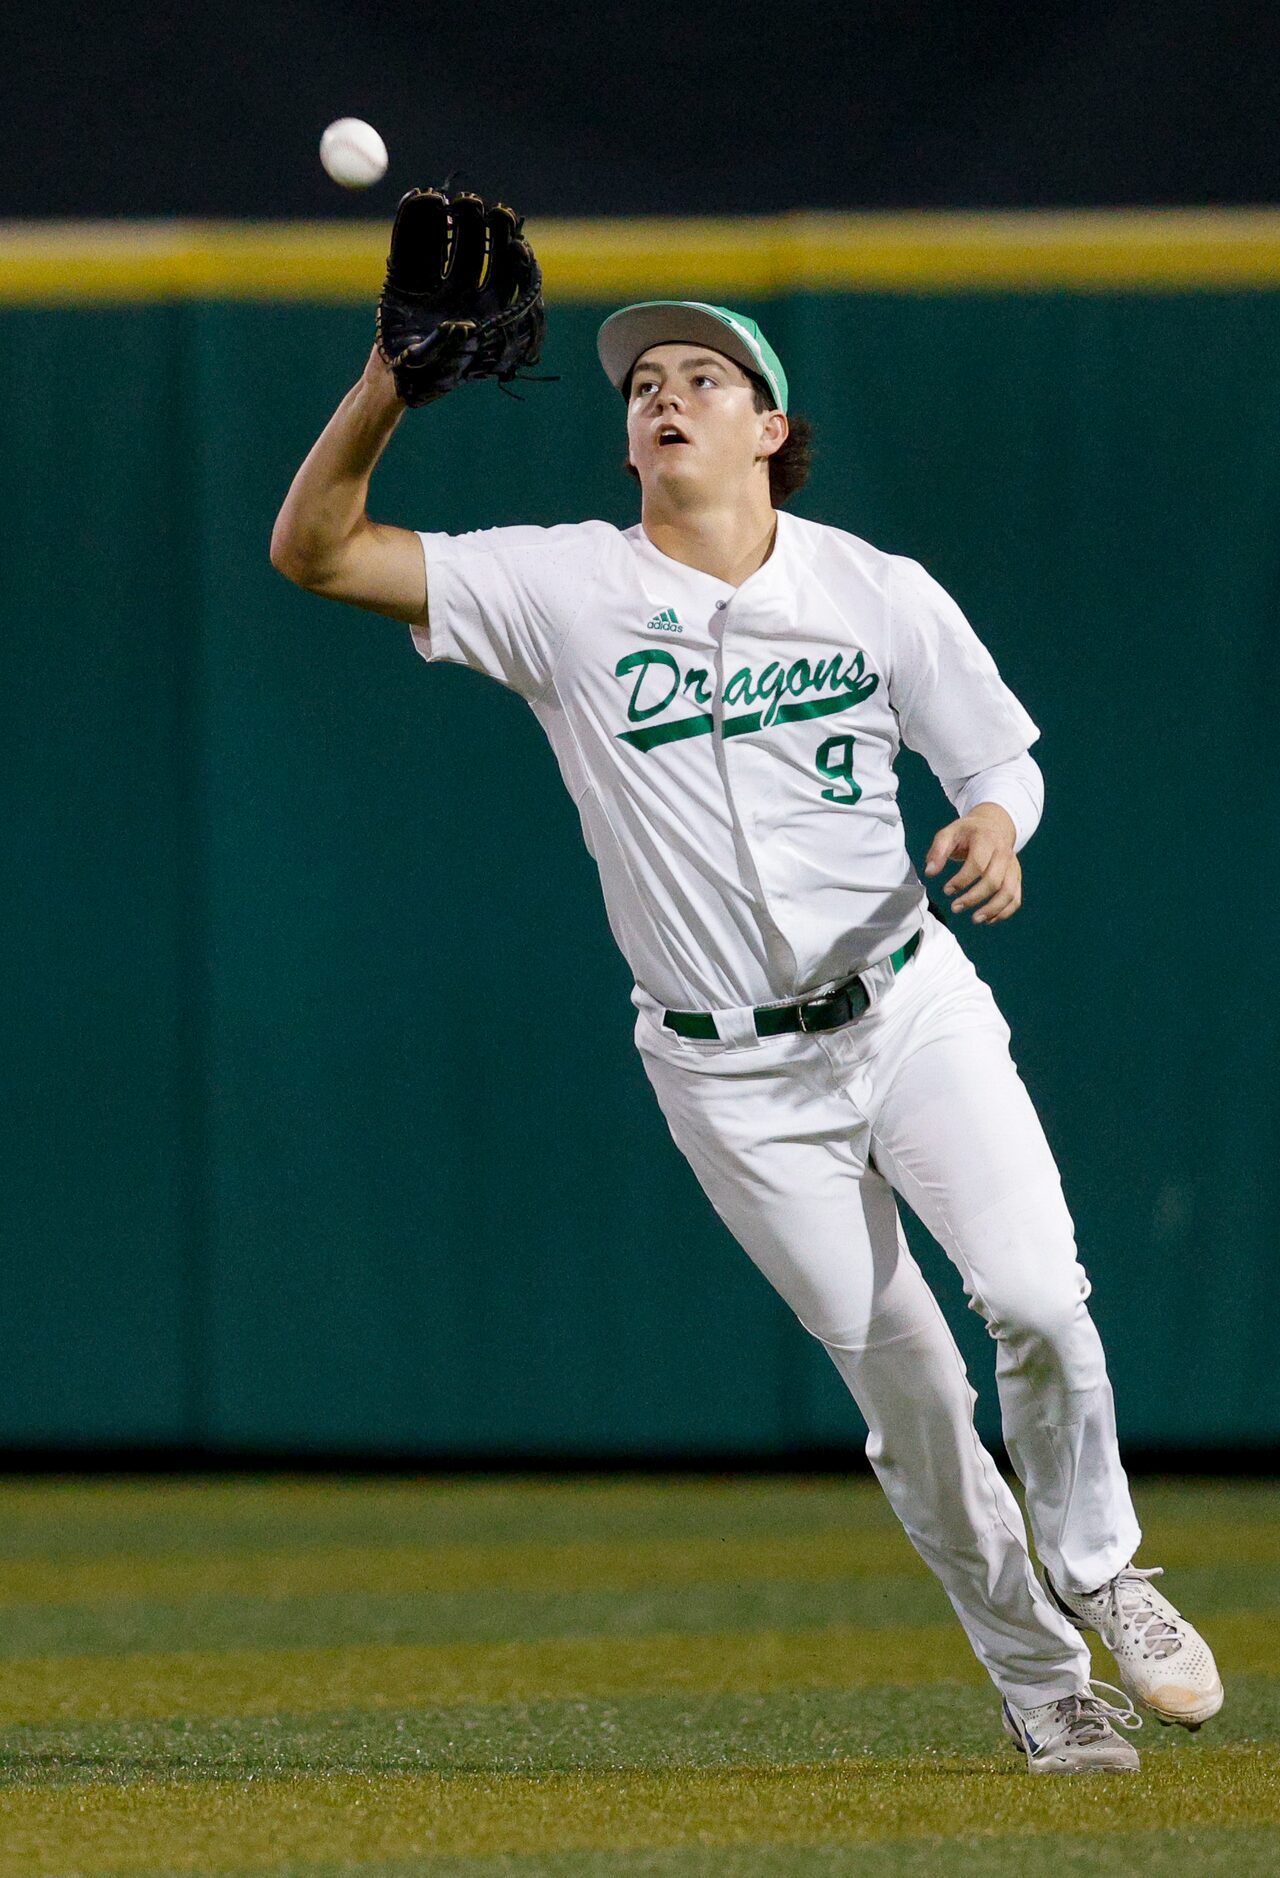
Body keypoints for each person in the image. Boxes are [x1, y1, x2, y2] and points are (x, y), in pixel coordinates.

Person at [270, 299, 1224, 1774]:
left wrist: (992, 822)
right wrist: (387, 386)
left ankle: (1103, 1563)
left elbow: (1001, 756)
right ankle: (1041, 1680)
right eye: (643, 382)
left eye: (702, 377)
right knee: (909, 1389)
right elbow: (316, 552)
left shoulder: (874, 589)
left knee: (1035, 1293)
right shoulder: (562, 588)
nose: (663, 395)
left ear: (768, 429)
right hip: (730, 1072)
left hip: (906, 1008)